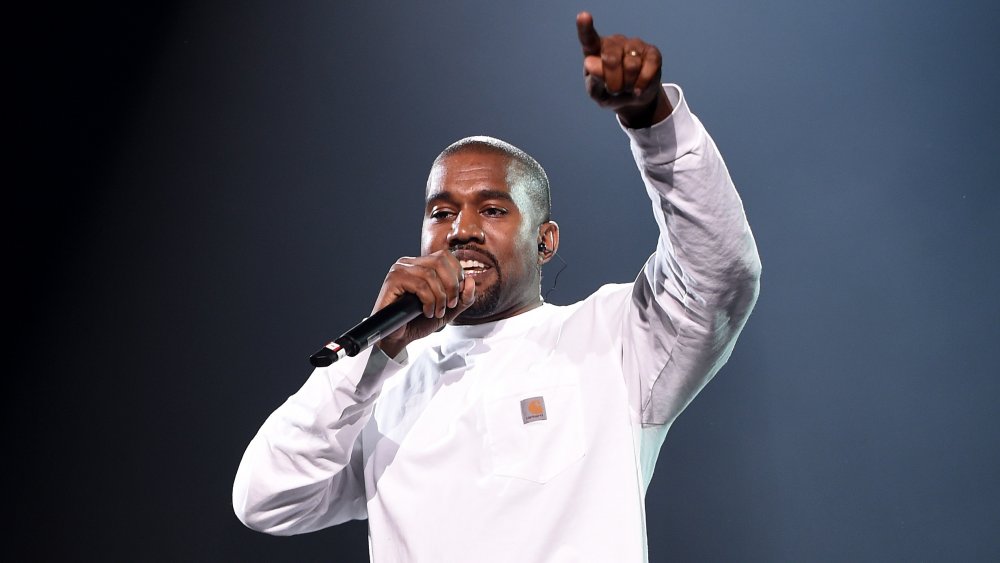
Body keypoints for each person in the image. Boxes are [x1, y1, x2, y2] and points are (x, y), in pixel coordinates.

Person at [234, 11, 761, 562]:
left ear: (545, 241)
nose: (461, 230)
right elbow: (265, 499)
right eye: (441, 212)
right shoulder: (379, 381)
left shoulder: (613, 339)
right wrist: (375, 354)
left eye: (491, 209)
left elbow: (720, 273)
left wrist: (652, 123)